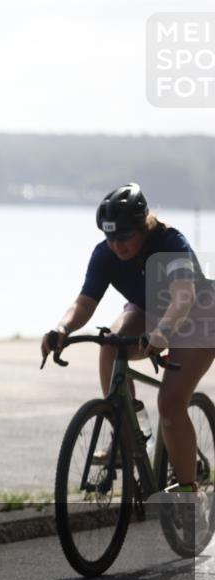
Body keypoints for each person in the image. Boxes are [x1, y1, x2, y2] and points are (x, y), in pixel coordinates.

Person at [41, 183, 213, 521]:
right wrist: (62, 328)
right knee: (110, 341)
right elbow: (85, 302)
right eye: (110, 238)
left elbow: (182, 297)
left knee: (170, 402)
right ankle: (127, 428)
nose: (116, 246)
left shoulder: (170, 243)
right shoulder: (105, 253)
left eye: (124, 238)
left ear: (142, 227)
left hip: (196, 317)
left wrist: (163, 332)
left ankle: (191, 495)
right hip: (148, 310)